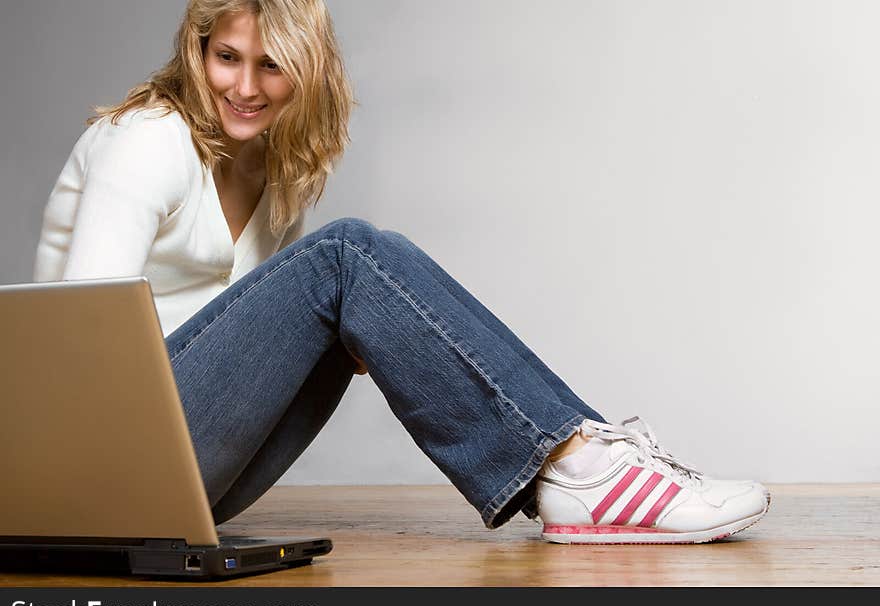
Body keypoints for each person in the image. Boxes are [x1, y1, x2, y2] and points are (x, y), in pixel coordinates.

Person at [33, 0, 769, 544]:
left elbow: (238, 337)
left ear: (307, 72)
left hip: (190, 492)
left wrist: (344, 332)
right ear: (196, 50)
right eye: (227, 57)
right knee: (350, 253)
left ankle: (576, 467)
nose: (245, 87)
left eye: (272, 65)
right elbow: (79, 356)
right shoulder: (148, 142)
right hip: (97, 474)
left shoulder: (275, 176)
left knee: (354, 284)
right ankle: (579, 466)